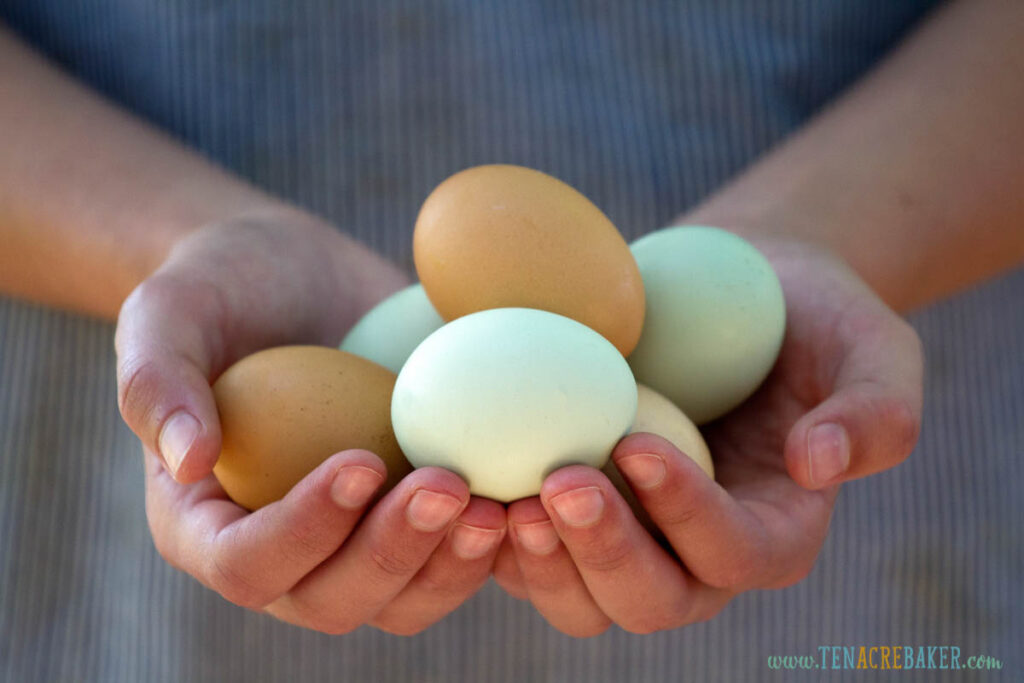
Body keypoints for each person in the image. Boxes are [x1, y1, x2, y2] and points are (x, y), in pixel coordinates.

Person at [1, 0, 1021, 679]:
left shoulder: (607, 348)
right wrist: (167, 241)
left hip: (870, 515)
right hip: (113, 550)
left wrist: (822, 234)